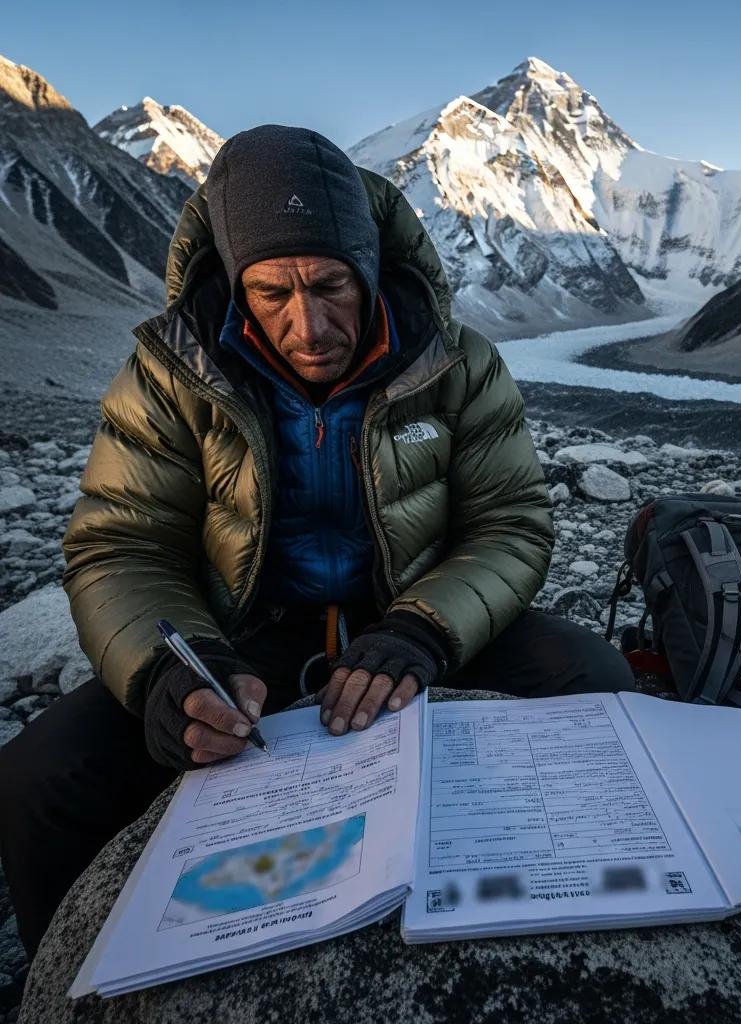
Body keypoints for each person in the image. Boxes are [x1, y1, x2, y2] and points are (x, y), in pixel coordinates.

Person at [0, 125, 635, 956]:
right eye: (272, 293)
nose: (309, 326)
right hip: (242, 642)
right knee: (41, 779)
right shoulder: (170, 374)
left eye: (332, 285)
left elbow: (509, 524)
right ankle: (68, 991)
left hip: (412, 626)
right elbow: (124, 544)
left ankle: (598, 921)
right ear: (233, 282)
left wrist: (422, 628)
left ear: (369, 267)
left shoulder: (458, 364)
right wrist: (172, 667)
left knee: (594, 679)